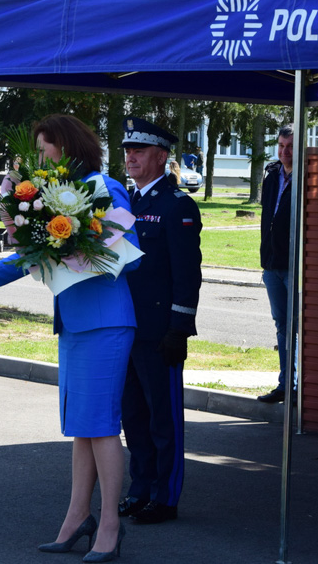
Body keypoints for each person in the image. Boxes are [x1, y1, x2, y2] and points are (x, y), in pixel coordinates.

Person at [0, 114, 140, 562]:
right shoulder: (54, 198)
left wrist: (76, 247)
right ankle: (76, 518)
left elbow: (128, 258)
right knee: (81, 427)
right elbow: (31, 253)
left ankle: (110, 526)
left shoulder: (104, 188)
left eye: (44, 149)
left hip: (106, 322)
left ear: (66, 147)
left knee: (102, 427)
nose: (39, 158)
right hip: (76, 324)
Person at [119, 117, 202, 525]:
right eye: (127, 150)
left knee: (162, 418)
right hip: (125, 326)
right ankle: (140, 488)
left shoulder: (177, 206)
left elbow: (188, 274)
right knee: (132, 415)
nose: (130, 156)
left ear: (161, 157)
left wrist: (179, 328)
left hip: (158, 331)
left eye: (139, 150)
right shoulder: (125, 203)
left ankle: (165, 497)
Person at [258, 125, 298, 404]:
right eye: (281, 146)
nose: (285, 152)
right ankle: (286, 384)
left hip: (295, 265)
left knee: (299, 326)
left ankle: (299, 385)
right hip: (271, 265)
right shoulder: (272, 176)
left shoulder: (308, 175)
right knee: (282, 326)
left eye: (291, 146)